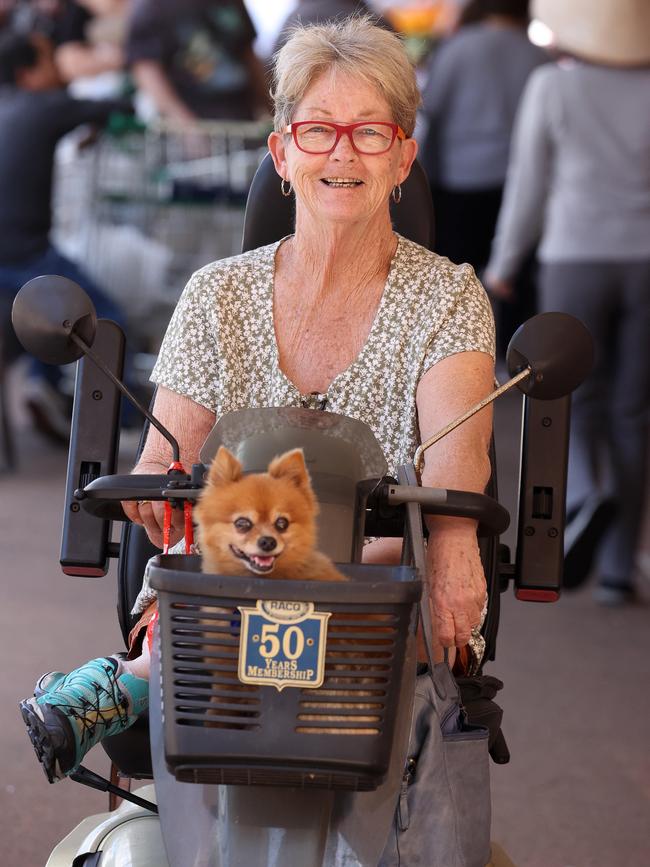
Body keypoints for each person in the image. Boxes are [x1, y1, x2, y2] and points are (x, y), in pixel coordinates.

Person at [21, 16, 495, 783]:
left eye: (370, 131)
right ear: (282, 153)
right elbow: (161, 467)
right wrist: (170, 498)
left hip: (379, 591)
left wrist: (439, 547)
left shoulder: (449, 298)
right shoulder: (217, 295)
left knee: (385, 556)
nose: (343, 150)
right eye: (318, 129)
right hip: (223, 576)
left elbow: (453, 471)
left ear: (403, 156)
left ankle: (126, 683)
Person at [484, 0, 650, 604]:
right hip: (645, 263)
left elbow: (528, 185)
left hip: (574, 256)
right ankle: (616, 570)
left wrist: (503, 267)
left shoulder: (553, 86)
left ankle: (582, 493)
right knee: (634, 412)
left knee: (567, 394)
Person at [0, 29, 129, 442]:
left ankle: (42, 385)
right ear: (27, 73)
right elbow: (117, 103)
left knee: (44, 309)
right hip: (24, 254)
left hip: (13, 258)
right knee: (106, 320)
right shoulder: (43, 106)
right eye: (48, 60)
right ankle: (121, 429)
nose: (58, 69)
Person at [420, 0, 548, 352]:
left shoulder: (457, 47)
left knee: (457, 275)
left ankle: (458, 354)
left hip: (460, 177)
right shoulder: (538, 55)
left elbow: (430, 108)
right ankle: (514, 356)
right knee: (516, 276)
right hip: (518, 182)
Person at [125, 0, 269, 126]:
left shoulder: (229, 2)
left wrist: (273, 107)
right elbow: (146, 70)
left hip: (241, 114)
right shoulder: (152, 7)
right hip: (198, 119)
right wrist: (185, 125)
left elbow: (248, 54)